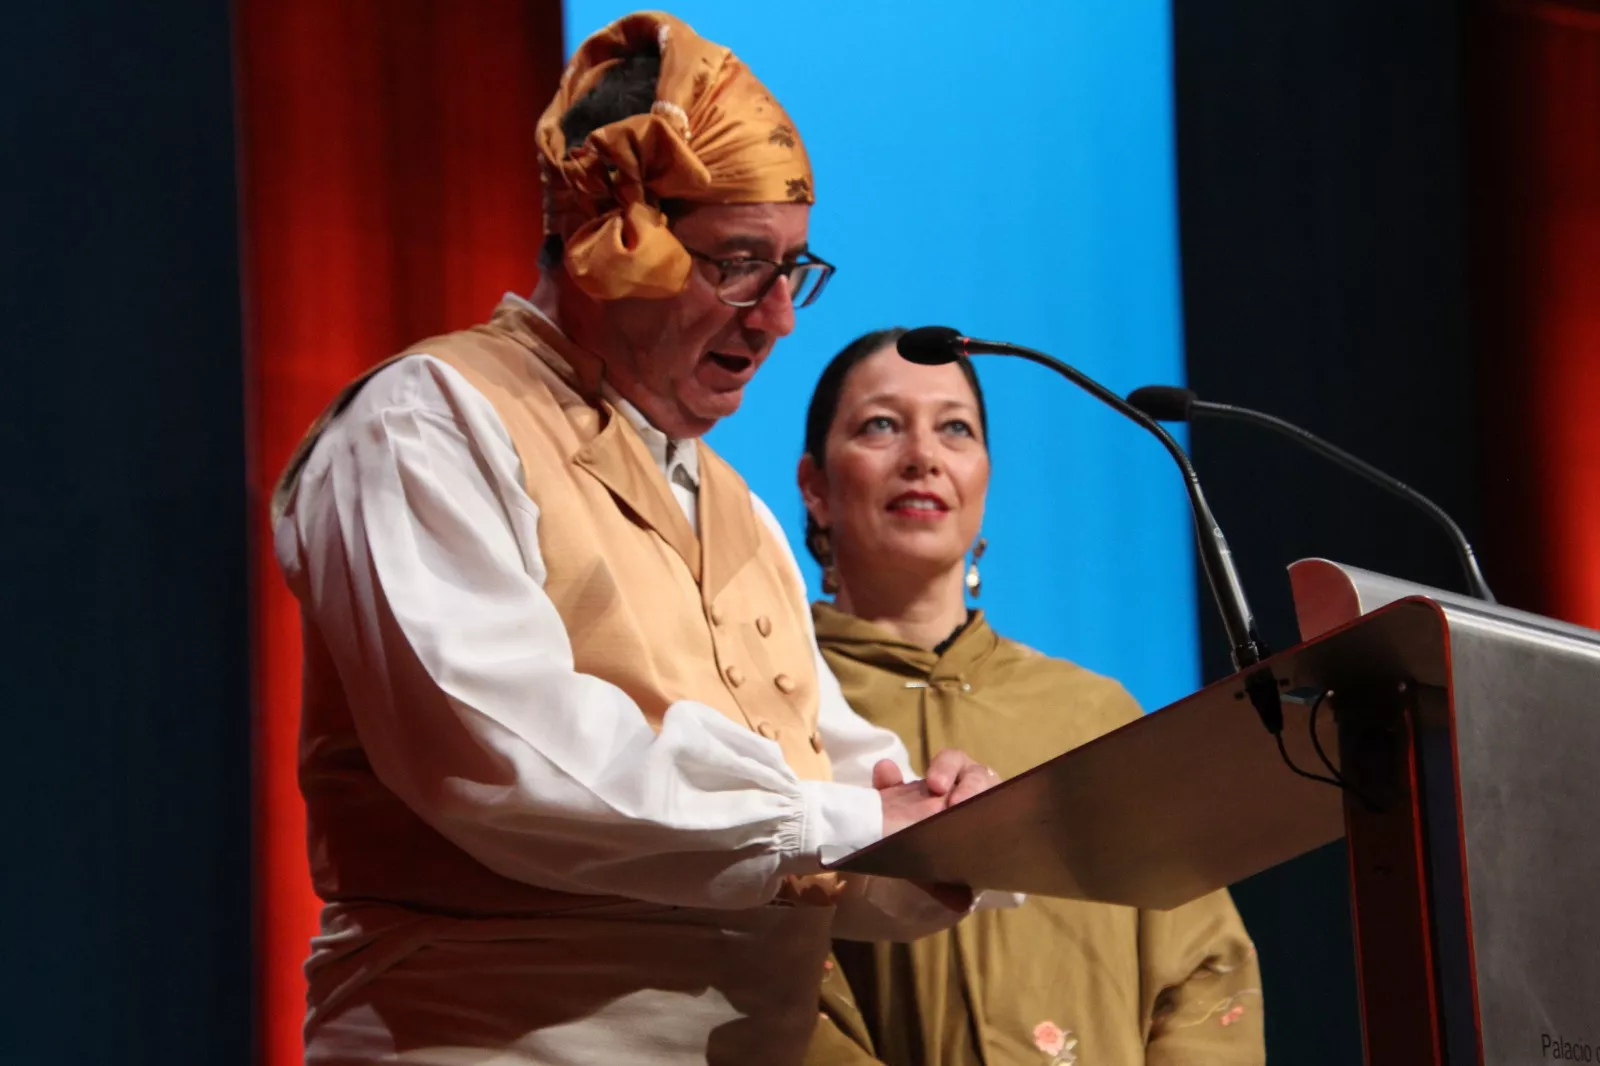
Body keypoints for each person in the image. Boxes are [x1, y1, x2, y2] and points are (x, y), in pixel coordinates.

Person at [270, 16, 1002, 1066]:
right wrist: (845, 822)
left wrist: (938, 827)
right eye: (740, 265)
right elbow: (509, 767)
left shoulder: (733, 505)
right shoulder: (425, 423)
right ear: (608, 245)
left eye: (794, 269)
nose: (780, 318)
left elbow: (819, 776)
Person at [795, 329, 1266, 1066]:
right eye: (881, 424)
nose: (923, 456)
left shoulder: (1092, 715)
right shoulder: (775, 694)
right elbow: (761, 973)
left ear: (985, 477)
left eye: (956, 428)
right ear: (815, 486)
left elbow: (1208, 968)